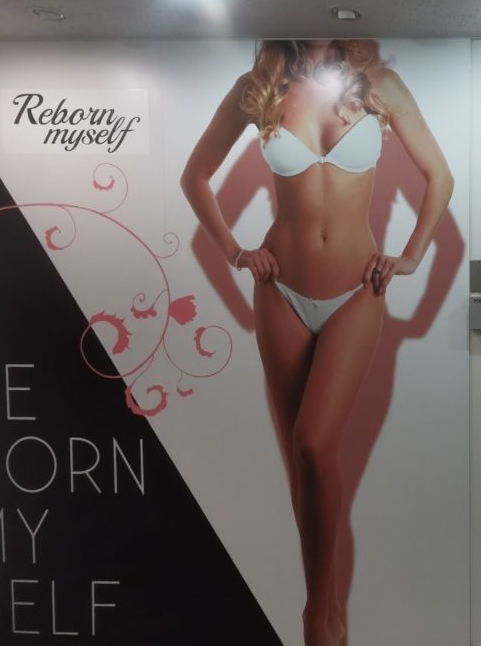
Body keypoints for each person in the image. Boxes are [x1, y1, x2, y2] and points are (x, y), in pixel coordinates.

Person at [180, 39, 454, 646]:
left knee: (313, 441)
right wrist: (235, 251)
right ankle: (326, 615)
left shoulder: (380, 84)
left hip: (358, 290)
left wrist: (411, 257)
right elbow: (194, 177)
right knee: (299, 463)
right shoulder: (258, 87)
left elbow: (441, 176)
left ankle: (316, 615)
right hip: (280, 291)